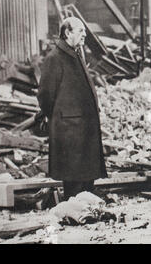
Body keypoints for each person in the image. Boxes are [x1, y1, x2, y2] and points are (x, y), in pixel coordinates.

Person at [37, 17, 107, 201]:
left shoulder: (74, 53)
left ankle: (87, 202)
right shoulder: (55, 57)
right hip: (69, 124)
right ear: (67, 33)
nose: (84, 35)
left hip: (81, 122)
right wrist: (54, 116)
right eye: (80, 31)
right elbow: (45, 94)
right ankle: (75, 205)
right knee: (74, 171)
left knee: (85, 168)